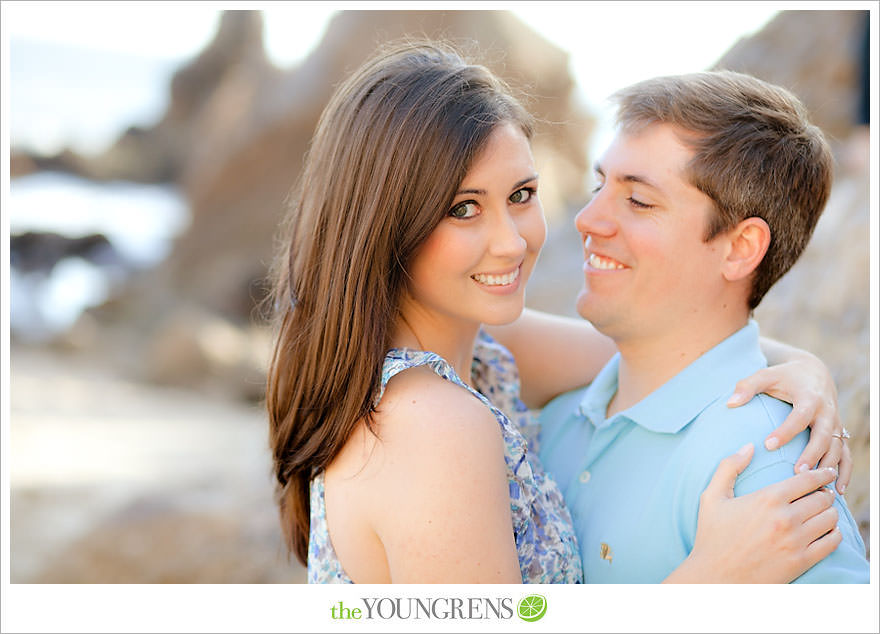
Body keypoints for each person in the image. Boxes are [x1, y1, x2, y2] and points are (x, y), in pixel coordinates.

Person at [266, 41, 847, 584]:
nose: (513, 243)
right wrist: (703, 586)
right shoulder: (435, 426)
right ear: (386, 225)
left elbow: (677, 351)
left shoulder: (491, 353)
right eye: (463, 208)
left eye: (521, 195)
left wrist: (806, 371)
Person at [538, 70, 869, 582]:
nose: (587, 219)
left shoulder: (766, 470)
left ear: (740, 249)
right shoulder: (555, 420)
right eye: (599, 185)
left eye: (638, 200)